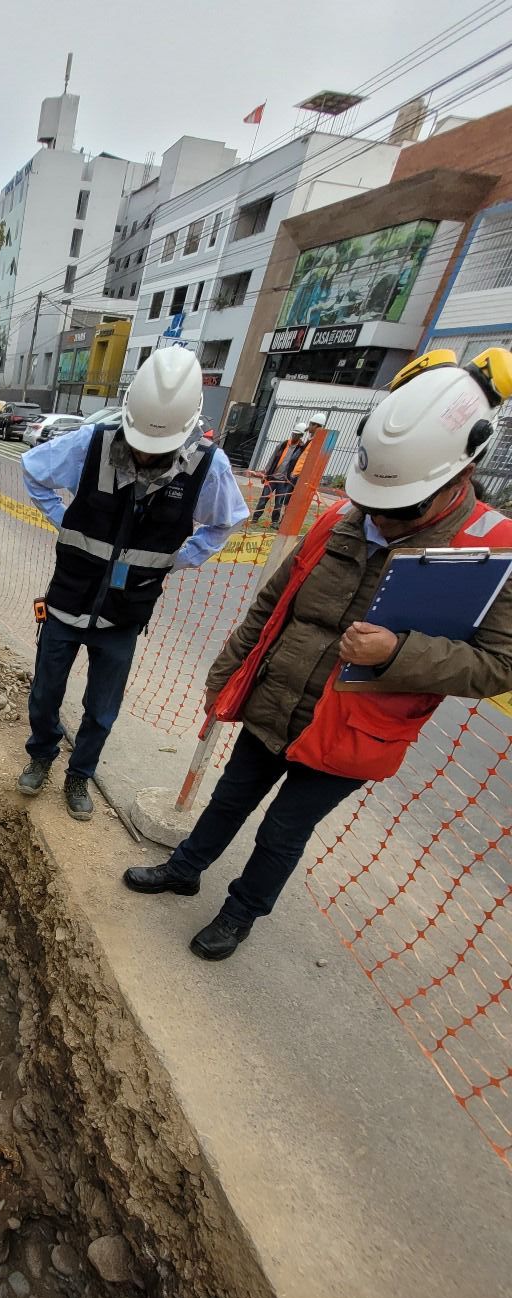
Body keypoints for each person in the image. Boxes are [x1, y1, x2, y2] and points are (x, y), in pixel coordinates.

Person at [123, 350, 512, 959]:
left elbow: (498, 665)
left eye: (400, 507)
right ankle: (184, 868)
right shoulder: (341, 518)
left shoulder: (489, 550)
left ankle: (239, 913)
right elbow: (272, 602)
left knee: (283, 831)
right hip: (277, 699)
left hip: (353, 731)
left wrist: (397, 653)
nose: (380, 517)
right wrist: (228, 669)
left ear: (454, 478)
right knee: (231, 796)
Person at [18, 346, 249, 820]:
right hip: (68, 600)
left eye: (156, 447)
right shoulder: (94, 443)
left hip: (125, 614)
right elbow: (34, 470)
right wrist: (63, 519)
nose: (144, 452)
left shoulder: (208, 468)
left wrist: (180, 558)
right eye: (139, 440)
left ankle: (80, 773)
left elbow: (226, 521)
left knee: (102, 708)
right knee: (45, 692)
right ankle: (41, 753)